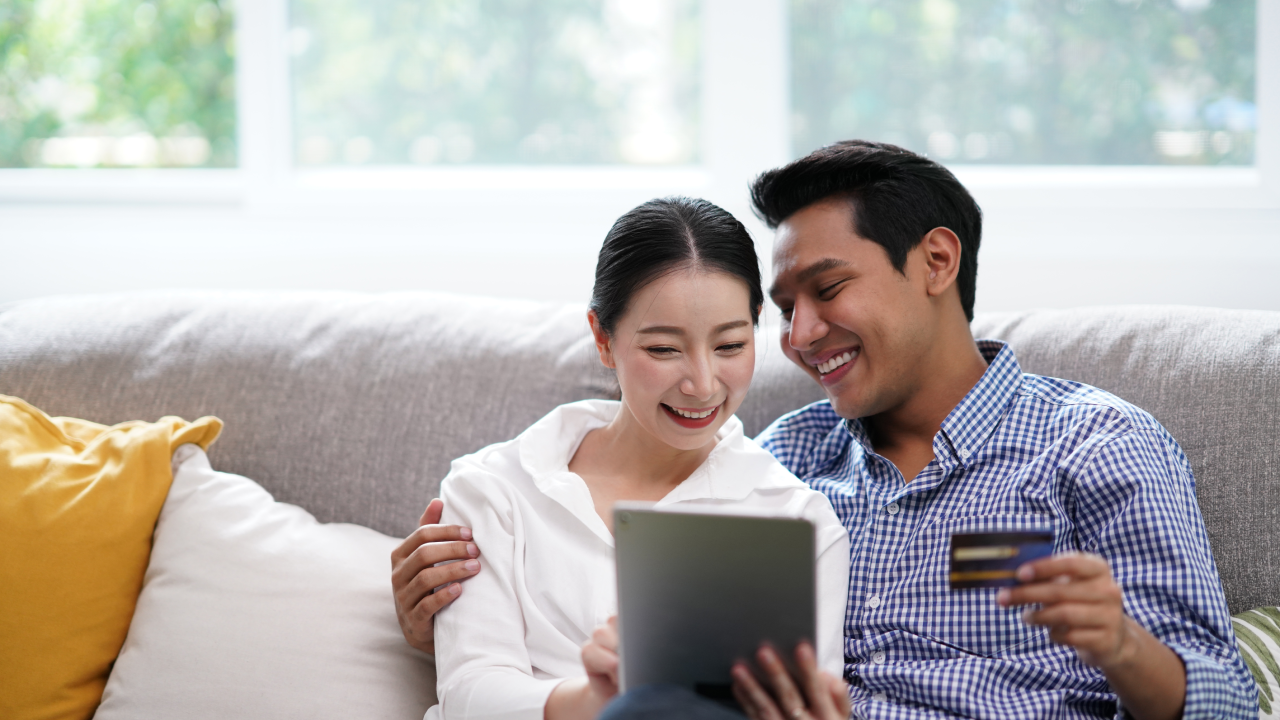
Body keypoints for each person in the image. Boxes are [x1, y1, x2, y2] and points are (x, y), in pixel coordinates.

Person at [393, 143, 1257, 719]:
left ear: (936, 262)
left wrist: (1121, 646)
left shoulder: (1097, 447)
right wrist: (440, 616)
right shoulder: (789, 457)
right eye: (783, 310)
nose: (799, 337)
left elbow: (1224, 701)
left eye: (827, 290)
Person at [412, 196, 851, 720]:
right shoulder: (494, 489)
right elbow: (469, 691)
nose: (702, 384)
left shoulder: (797, 522)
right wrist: (598, 699)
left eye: (730, 345)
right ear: (603, 339)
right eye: (664, 350)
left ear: (756, 325)